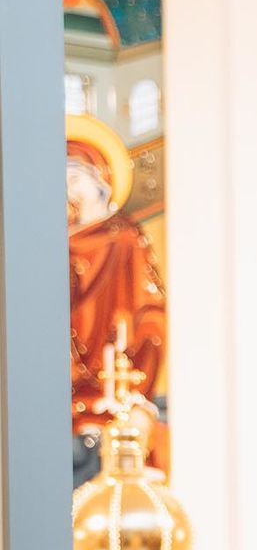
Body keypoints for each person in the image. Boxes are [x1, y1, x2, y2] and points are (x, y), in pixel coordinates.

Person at [67, 113, 166, 478]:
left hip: (113, 385)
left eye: (75, 179)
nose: (68, 192)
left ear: (102, 183)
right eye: (59, 182)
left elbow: (149, 314)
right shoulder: (54, 246)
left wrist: (139, 385)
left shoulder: (123, 238)